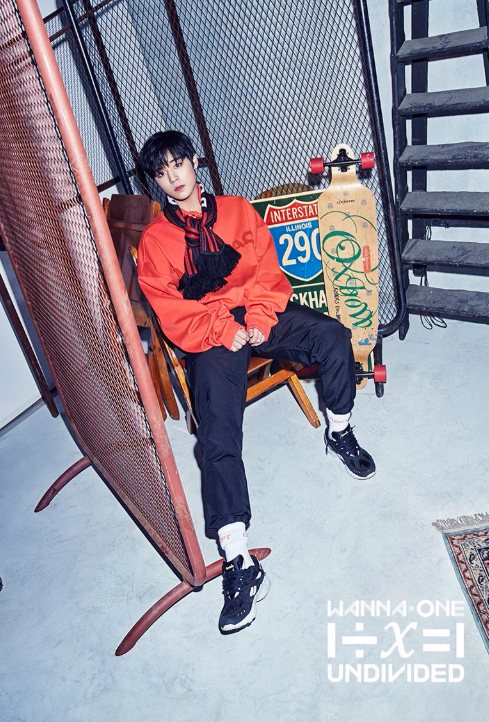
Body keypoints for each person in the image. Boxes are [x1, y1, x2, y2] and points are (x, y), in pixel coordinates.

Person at [137, 131, 375, 634]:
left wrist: (262, 319)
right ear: (156, 182)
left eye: (178, 164)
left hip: (258, 311)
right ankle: (238, 558)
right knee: (216, 434)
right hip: (209, 332)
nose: (173, 178)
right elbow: (170, 310)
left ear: (195, 162)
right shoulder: (156, 241)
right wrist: (225, 331)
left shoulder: (238, 211)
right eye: (161, 172)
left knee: (332, 336)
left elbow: (268, 270)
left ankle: (339, 429)